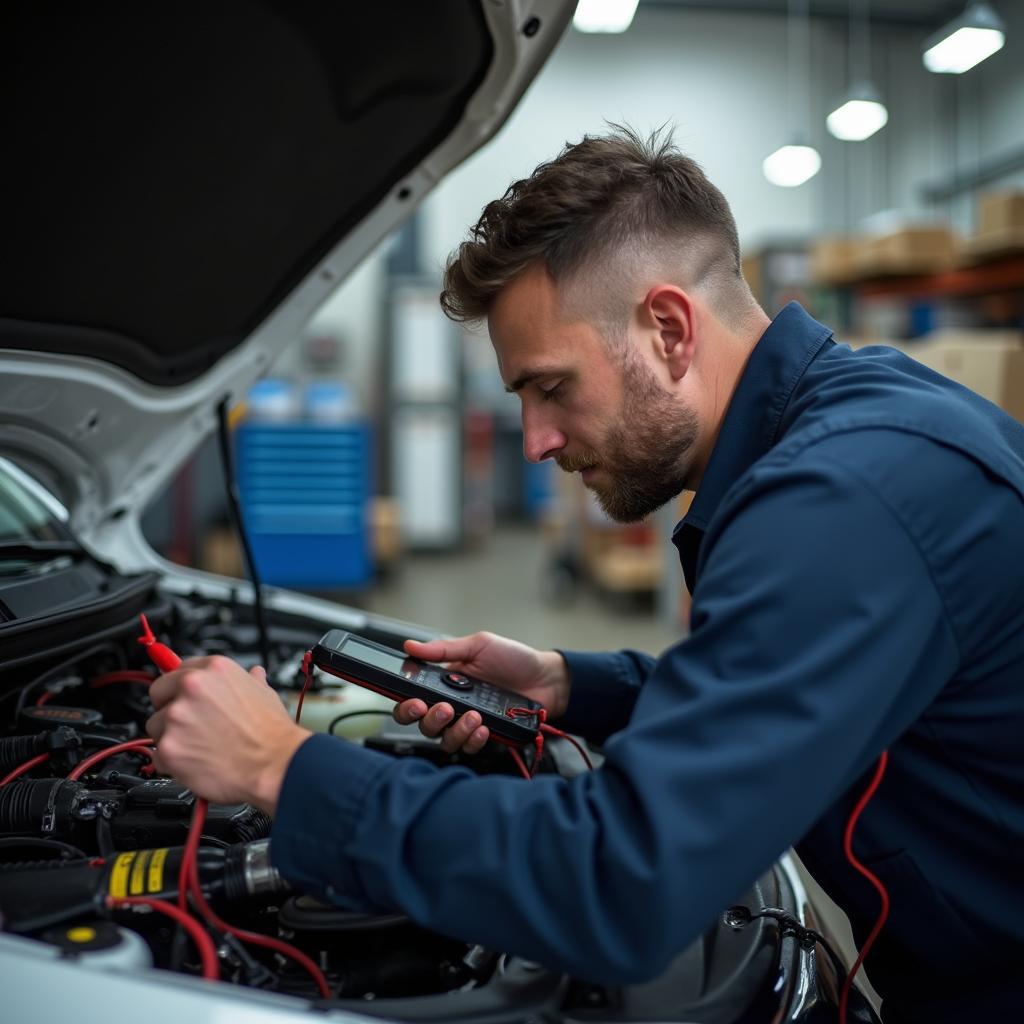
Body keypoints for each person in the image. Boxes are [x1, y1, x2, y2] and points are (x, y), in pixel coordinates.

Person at [146, 127, 1024, 1022]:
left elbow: (625, 884)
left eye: (551, 387)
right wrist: (573, 685)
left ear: (670, 330)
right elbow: (780, 683)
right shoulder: (835, 435)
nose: (535, 442)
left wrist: (284, 768)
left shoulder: (843, 501)